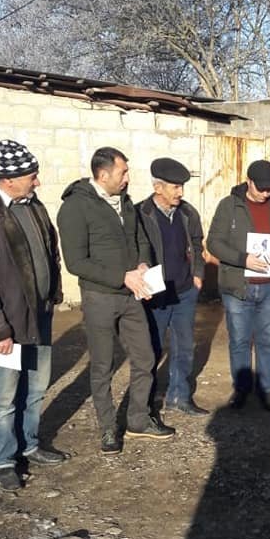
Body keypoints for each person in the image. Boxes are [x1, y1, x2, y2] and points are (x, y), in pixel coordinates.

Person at [57, 147, 175, 455]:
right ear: (103, 174)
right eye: (123, 172)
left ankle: (138, 420)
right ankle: (108, 427)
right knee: (102, 365)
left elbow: (140, 240)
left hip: (132, 295)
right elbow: (76, 262)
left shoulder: (125, 201)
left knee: (146, 358)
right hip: (100, 297)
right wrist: (121, 276)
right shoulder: (75, 207)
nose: (127, 178)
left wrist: (142, 264)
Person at [0, 140, 66, 490]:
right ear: (8, 180)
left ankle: (30, 443)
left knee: (36, 386)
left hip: (40, 315)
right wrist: (0, 329)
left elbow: (51, 250)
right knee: (5, 397)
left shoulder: (34, 206)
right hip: (10, 325)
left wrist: (54, 293)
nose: (37, 181)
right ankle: (4, 459)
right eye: (31, 176)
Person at [207, 160, 270, 412]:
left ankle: (266, 389)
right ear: (249, 182)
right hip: (239, 286)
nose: (266, 193)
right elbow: (214, 242)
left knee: (267, 340)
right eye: (261, 188)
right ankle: (242, 389)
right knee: (239, 340)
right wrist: (242, 259)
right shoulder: (229, 206)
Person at [138, 158, 207, 416]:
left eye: (182, 187)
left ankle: (180, 396)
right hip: (156, 293)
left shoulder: (187, 213)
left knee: (184, 347)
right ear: (158, 187)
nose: (181, 192)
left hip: (185, 291)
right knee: (151, 349)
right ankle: (147, 403)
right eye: (175, 187)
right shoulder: (140, 214)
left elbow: (198, 244)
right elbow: (134, 250)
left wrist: (197, 275)